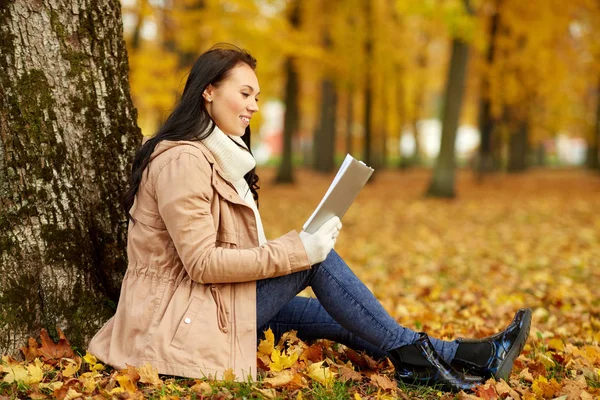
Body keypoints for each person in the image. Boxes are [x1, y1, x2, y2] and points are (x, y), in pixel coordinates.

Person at [88, 44, 532, 392]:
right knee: (314, 260)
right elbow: (202, 263)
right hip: (179, 322)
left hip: (206, 308)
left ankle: (473, 356)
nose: (254, 106)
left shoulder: (219, 157)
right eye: (245, 93)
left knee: (339, 315)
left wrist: (296, 246)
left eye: (257, 97)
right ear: (208, 90)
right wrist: (298, 249)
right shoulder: (184, 160)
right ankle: (424, 364)